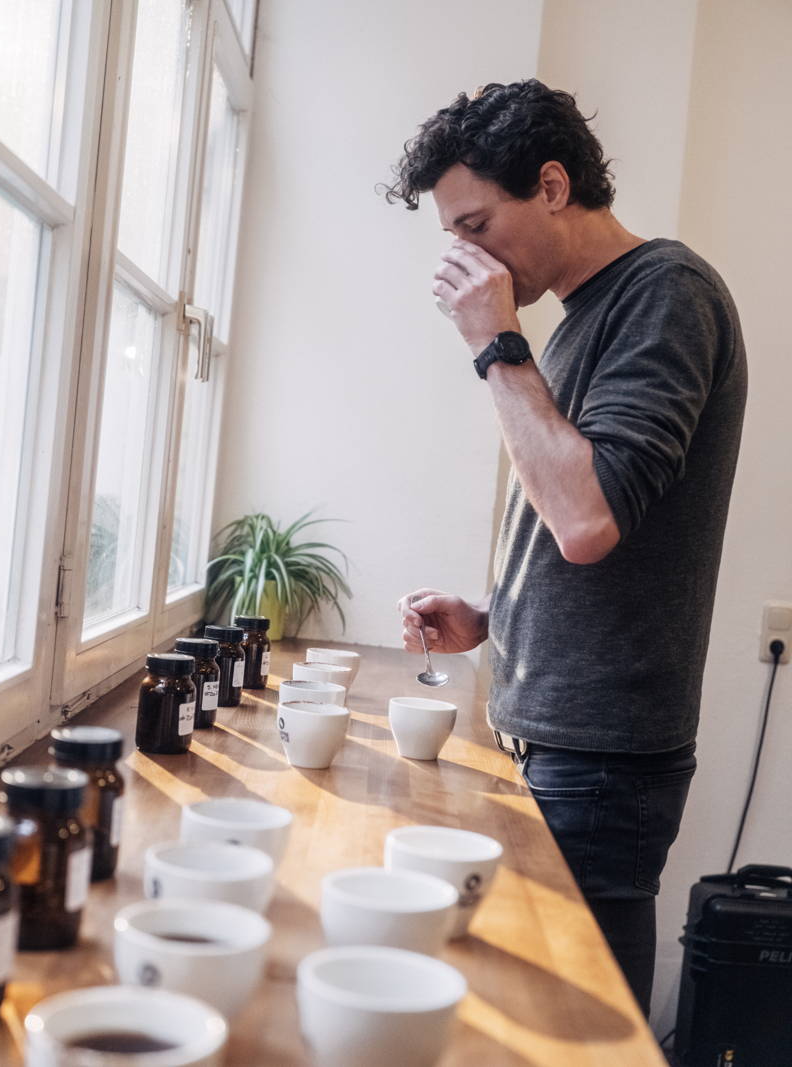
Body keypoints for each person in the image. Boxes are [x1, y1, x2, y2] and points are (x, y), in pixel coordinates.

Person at [385, 79, 747, 1018]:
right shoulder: (587, 314)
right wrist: (493, 613)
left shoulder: (667, 294)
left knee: (574, 1025)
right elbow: (581, 513)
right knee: (540, 1013)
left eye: (476, 224)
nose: (465, 257)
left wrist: (495, 341)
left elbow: (586, 520)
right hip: (559, 743)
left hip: (601, 763)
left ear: (551, 184)